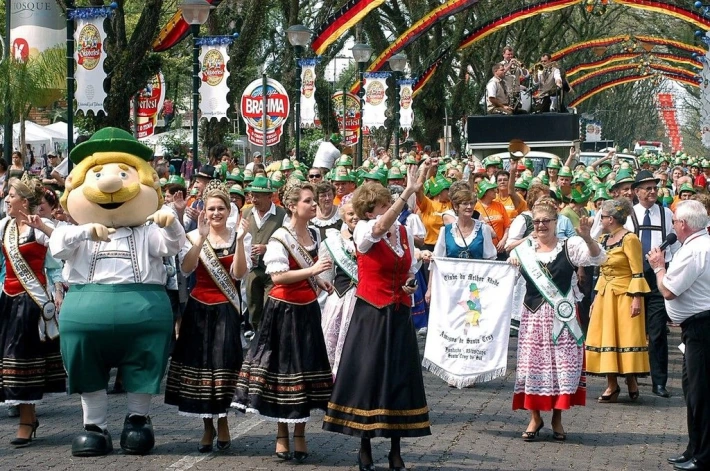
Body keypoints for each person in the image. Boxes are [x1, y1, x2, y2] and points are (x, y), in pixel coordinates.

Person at [49, 128, 186, 457]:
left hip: (142, 315)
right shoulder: (73, 231)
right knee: (87, 366)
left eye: (125, 174)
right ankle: (94, 426)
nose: (110, 184)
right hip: (87, 313)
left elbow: (174, 245)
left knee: (142, 363)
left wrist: (171, 222)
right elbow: (56, 247)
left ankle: (137, 420)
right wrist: (84, 231)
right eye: (97, 175)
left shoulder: (148, 231)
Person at [324, 167, 431, 471]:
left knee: (398, 377)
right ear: (370, 210)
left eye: (388, 203)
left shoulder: (406, 232)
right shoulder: (363, 229)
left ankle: (396, 449)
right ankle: (364, 444)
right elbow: (378, 228)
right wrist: (408, 192)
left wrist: (410, 283)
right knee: (368, 377)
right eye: (384, 205)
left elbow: (410, 268)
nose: (389, 209)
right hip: (371, 314)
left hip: (398, 314)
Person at [234, 180, 334, 463]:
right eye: (307, 201)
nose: (313, 205)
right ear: (292, 206)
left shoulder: (314, 232)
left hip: (307, 309)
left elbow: (309, 270)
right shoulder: (280, 236)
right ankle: (281, 434)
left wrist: (318, 280)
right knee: (281, 373)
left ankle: (300, 434)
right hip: (283, 311)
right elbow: (277, 277)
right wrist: (312, 270)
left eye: (314, 200)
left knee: (303, 372)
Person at [509, 198, 606, 442]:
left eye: (546, 221)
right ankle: (535, 417)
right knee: (533, 367)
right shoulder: (523, 250)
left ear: (556, 222)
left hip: (563, 318)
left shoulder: (570, 245)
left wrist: (587, 237)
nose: (541, 226)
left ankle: (557, 419)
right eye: (537, 222)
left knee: (562, 368)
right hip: (533, 318)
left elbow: (596, 258)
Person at [165, 180, 250, 453]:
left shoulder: (239, 237)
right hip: (199, 309)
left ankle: (222, 420)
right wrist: (200, 238)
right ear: (204, 210)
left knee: (223, 366)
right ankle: (206, 426)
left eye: (220, 208)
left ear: (229, 210)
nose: (216, 213)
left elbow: (238, 275)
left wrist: (238, 240)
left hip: (226, 309)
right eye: (211, 208)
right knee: (201, 368)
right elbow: (187, 269)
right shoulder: (192, 237)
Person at [0, 175, 65, 447]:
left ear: (24, 202)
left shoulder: (41, 228)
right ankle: (27, 415)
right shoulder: (3, 227)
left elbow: (56, 263)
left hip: (31, 302)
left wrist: (58, 289)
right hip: (7, 298)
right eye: (6, 195)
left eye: (11, 196)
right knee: (9, 358)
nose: (6, 199)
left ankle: (26, 420)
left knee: (22, 358)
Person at [647, 200, 710, 471]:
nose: (673, 226)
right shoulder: (697, 245)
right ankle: (694, 449)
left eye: (674, 222)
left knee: (702, 395)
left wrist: (659, 267)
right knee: (692, 391)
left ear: (683, 224)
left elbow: (669, 291)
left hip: (702, 329)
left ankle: (704, 456)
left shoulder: (695, 249)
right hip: (694, 328)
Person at [585, 198, 650, 403]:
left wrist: (637, 299)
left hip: (625, 295)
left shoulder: (630, 239)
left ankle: (631, 379)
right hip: (605, 295)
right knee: (606, 337)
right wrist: (595, 298)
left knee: (626, 337)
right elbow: (602, 270)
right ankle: (612, 385)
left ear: (611, 219)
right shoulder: (604, 239)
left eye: (602, 216)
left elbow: (637, 271)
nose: (600, 220)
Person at [630, 170, 678, 398]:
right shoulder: (629, 214)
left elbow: (674, 245)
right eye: (647, 188)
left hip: (658, 276)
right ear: (636, 191)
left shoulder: (666, 213)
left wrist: (672, 271)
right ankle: (632, 377)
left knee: (657, 331)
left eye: (654, 188)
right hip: (635, 278)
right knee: (632, 330)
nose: (652, 192)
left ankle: (659, 381)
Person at [427, 187, 497, 303]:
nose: (469, 207)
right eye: (465, 204)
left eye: (471, 203)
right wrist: (430, 288)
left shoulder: (483, 229)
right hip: (451, 287)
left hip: (476, 287)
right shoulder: (446, 231)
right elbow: (435, 262)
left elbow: (490, 260)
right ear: (456, 206)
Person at [319, 193, 359, 378]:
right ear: (343, 216)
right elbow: (325, 277)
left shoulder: (371, 238)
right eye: (350, 213)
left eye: (358, 212)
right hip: (340, 298)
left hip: (363, 299)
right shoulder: (333, 240)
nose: (355, 217)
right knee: (332, 342)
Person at [243, 176, 287, 331]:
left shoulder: (282, 215)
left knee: (270, 304)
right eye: (252, 195)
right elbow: (240, 238)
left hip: (273, 270)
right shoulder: (246, 213)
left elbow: (288, 241)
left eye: (258, 196)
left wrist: (266, 248)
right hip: (252, 269)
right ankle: (255, 335)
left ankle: (268, 338)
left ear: (270, 196)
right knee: (253, 305)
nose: (254, 199)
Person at [475, 179, 510, 260]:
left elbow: (507, 226)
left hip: (499, 249)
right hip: (483, 250)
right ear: (485, 192)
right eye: (492, 190)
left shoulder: (499, 206)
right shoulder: (475, 207)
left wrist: (503, 241)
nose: (495, 191)